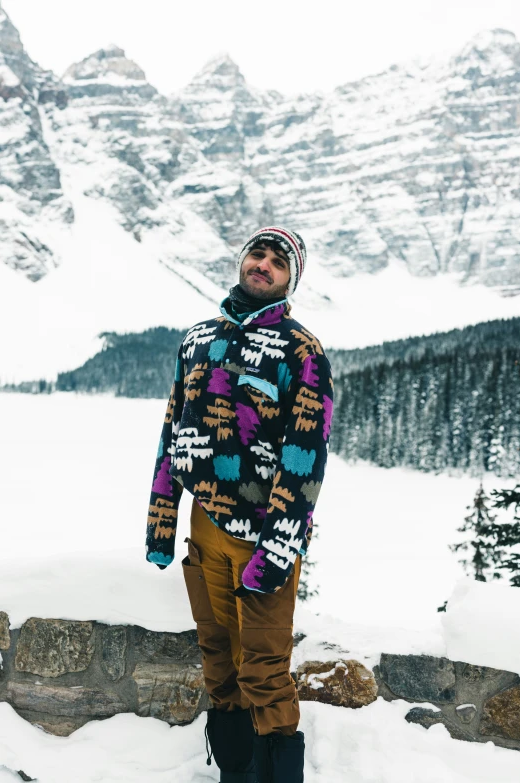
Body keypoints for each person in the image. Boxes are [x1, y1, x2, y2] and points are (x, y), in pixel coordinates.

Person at [146, 226, 334, 783]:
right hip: (204, 529)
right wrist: (161, 519)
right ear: (242, 260)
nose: (264, 264)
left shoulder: (303, 351)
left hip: (263, 535)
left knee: (265, 672)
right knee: (218, 661)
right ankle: (236, 772)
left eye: (279, 261)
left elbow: (306, 460)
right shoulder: (197, 339)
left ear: (289, 279)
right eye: (259, 253)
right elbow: (171, 431)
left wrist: (277, 549)